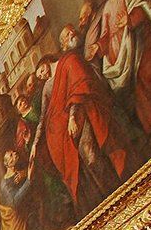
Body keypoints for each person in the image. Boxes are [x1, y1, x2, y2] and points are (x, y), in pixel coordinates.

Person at [30, 27, 129, 219]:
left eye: (40, 70)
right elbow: (44, 117)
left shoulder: (68, 61)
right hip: (66, 130)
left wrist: (73, 117)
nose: (41, 75)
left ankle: (117, 192)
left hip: (84, 112)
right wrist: (35, 144)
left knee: (89, 154)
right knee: (81, 164)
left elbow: (78, 87)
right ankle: (104, 200)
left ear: (45, 62)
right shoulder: (47, 87)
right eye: (39, 76)